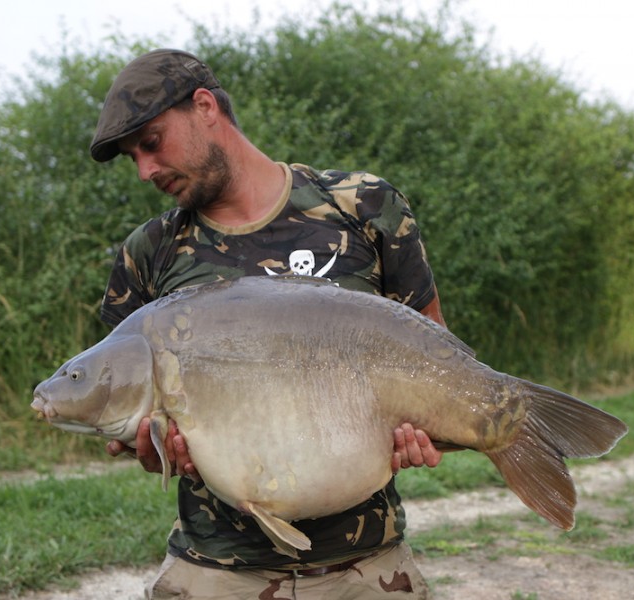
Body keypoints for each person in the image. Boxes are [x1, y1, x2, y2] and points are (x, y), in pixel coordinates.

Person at [91, 49, 445, 599]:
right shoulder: (150, 253)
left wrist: (426, 429)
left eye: (151, 142)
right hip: (214, 569)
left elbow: (438, 357)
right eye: (132, 156)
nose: (145, 170)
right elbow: (124, 403)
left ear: (204, 106)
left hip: (369, 567)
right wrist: (151, 449)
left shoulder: (363, 206)